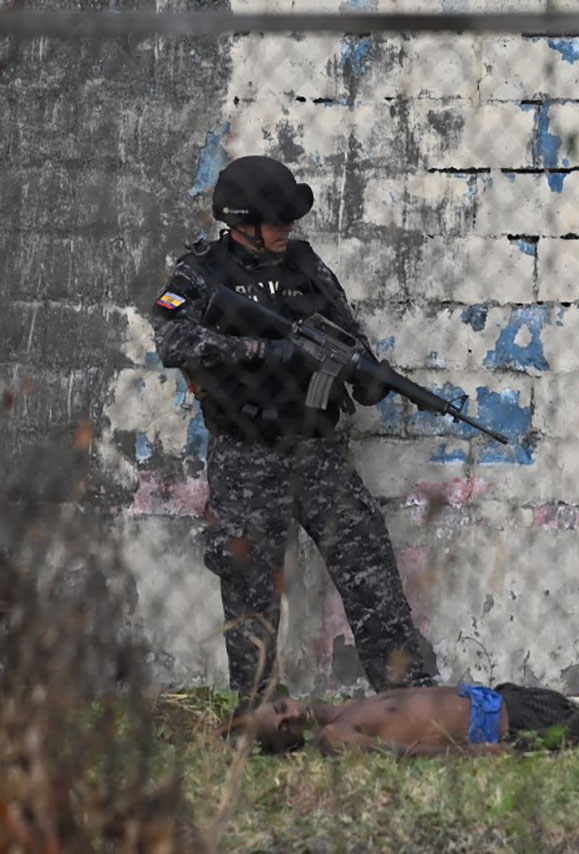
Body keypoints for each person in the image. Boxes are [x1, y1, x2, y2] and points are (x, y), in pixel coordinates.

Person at [151, 154, 437, 701]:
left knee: (370, 569)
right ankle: (258, 715)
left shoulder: (307, 266)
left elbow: (346, 333)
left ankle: (408, 699)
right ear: (241, 223)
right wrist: (263, 351)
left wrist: (367, 376)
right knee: (250, 592)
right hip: (246, 457)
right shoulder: (202, 273)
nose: (288, 230)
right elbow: (172, 339)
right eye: (277, 221)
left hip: (318, 451)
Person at [240, 683, 579, 756]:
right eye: (283, 728)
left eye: (281, 708)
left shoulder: (345, 706)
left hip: (501, 698)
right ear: (290, 744)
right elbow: (403, 752)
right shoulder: (334, 734)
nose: (291, 715)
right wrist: (478, 753)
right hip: (500, 725)